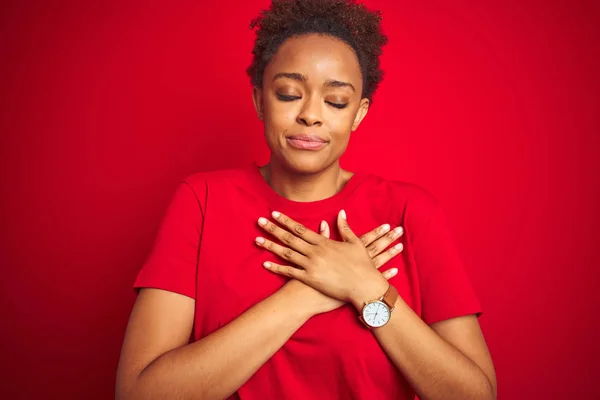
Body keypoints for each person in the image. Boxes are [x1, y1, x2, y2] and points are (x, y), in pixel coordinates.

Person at [115, 0, 497, 399]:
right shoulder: (202, 201)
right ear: (259, 100)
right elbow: (139, 393)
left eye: (336, 101)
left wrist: (367, 288)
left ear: (359, 114)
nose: (311, 115)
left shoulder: (410, 212)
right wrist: (304, 295)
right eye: (288, 93)